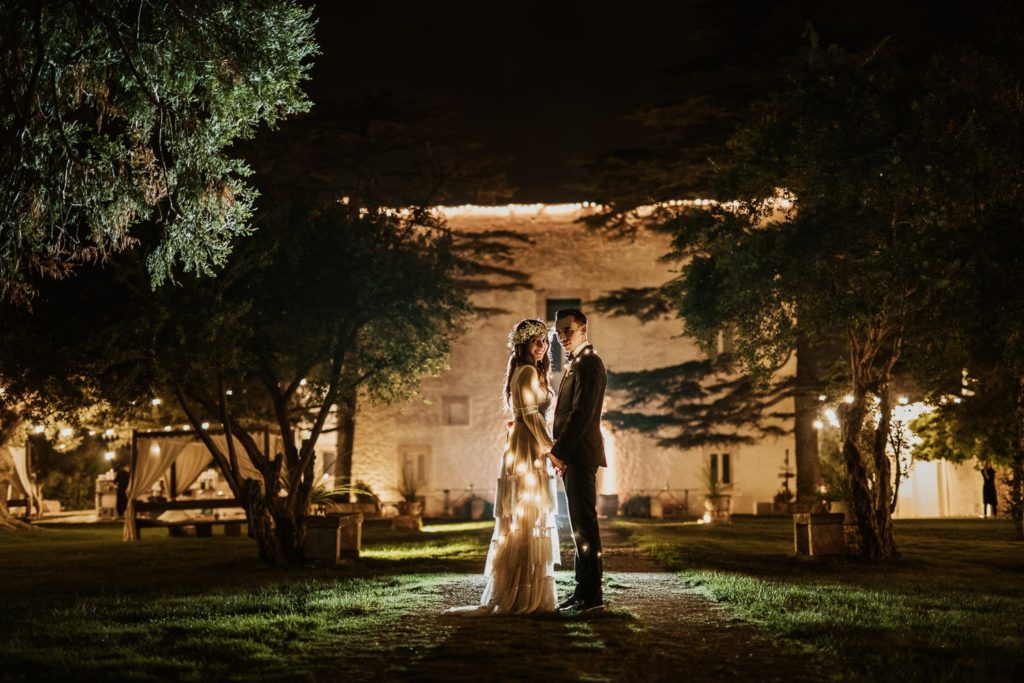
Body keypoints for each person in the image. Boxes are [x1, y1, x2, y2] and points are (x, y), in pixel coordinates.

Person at [447, 319, 560, 616]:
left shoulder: (528, 371)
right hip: (528, 448)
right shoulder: (526, 372)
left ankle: (522, 589)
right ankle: (519, 594)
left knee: (526, 520)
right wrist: (552, 451)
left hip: (526, 443)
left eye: (544, 341)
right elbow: (531, 416)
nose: (541, 346)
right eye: (535, 341)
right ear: (523, 344)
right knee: (525, 519)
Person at [549, 308, 607, 611]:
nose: (562, 336)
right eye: (559, 332)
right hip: (574, 456)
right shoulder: (576, 364)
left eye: (568, 330)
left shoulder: (590, 364)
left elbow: (581, 414)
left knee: (584, 525)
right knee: (578, 527)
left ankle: (591, 595)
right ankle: (582, 591)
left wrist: (559, 452)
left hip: (581, 455)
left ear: (584, 329)